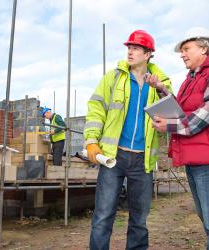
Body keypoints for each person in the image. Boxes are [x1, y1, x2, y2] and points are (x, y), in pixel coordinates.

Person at [84, 30, 172, 250]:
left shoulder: (161, 82)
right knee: (103, 215)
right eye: (129, 48)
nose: (130, 52)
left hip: (143, 161)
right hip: (114, 157)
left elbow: (173, 115)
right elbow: (96, 109)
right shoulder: (113, 77)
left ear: (148, 54)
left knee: (139, 220)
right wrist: (91, 141)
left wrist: (160, 89)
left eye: (136, 48)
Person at [149, 27, 209, 250]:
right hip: (195, 159)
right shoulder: (190, 79)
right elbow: (180, 109)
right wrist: (161, 90)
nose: (182, 54)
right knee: (204, 216)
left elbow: (204, 114)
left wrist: (169, 125)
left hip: (206, 159)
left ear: (203, 48)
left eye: (186, 49)